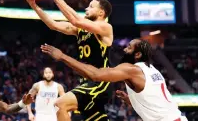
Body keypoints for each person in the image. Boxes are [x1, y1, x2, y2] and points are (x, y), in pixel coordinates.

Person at [23, 0, 113, 121]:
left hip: (100, 82)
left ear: (101, 12)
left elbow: (75, 20)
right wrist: (33, 5)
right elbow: (53, 25)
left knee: (59, 104)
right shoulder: (80, 30)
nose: (86, 9)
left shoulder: (105, 28)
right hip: (86, 82)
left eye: (91, 7)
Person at [40, 39, 188, 121]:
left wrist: (63, 57)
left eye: (129, 48)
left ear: (137, 55)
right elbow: (158, 102)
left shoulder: (132, 69)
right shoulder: (153, 70)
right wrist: (133, 100)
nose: (124, 49)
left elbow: (96, 75)